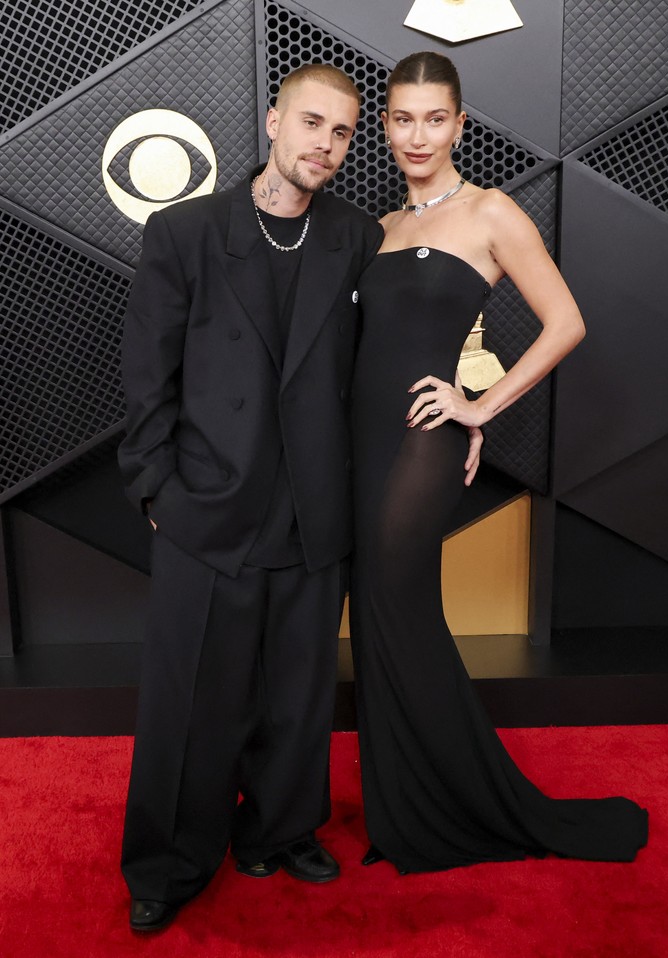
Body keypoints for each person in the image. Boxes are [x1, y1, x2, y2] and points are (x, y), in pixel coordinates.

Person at [117, 63, 425, 932]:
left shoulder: (357, 238)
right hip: (206, 505)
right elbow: (148, 376)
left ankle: (278, 831)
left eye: (340, 132)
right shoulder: (185, 233)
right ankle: (169, 863)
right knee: (191, 702)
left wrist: (464, 411)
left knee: (297, 692)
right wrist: (156, 489)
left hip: (316, 506)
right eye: (310, 123)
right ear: (272, 122)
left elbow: (390, 362)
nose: (323, 144)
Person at [350, 51, 649, 875]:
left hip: (423, 439)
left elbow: (566, 322)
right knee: (376, 616)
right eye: (402, 118)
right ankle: (406, 808)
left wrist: (479, 407)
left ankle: (465, 807)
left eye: (434, 118)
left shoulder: (490, 213)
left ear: (460, 123)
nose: (418, 134)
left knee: (394, 606)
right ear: (384, 126)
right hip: (362, 442)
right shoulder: (379, 228)